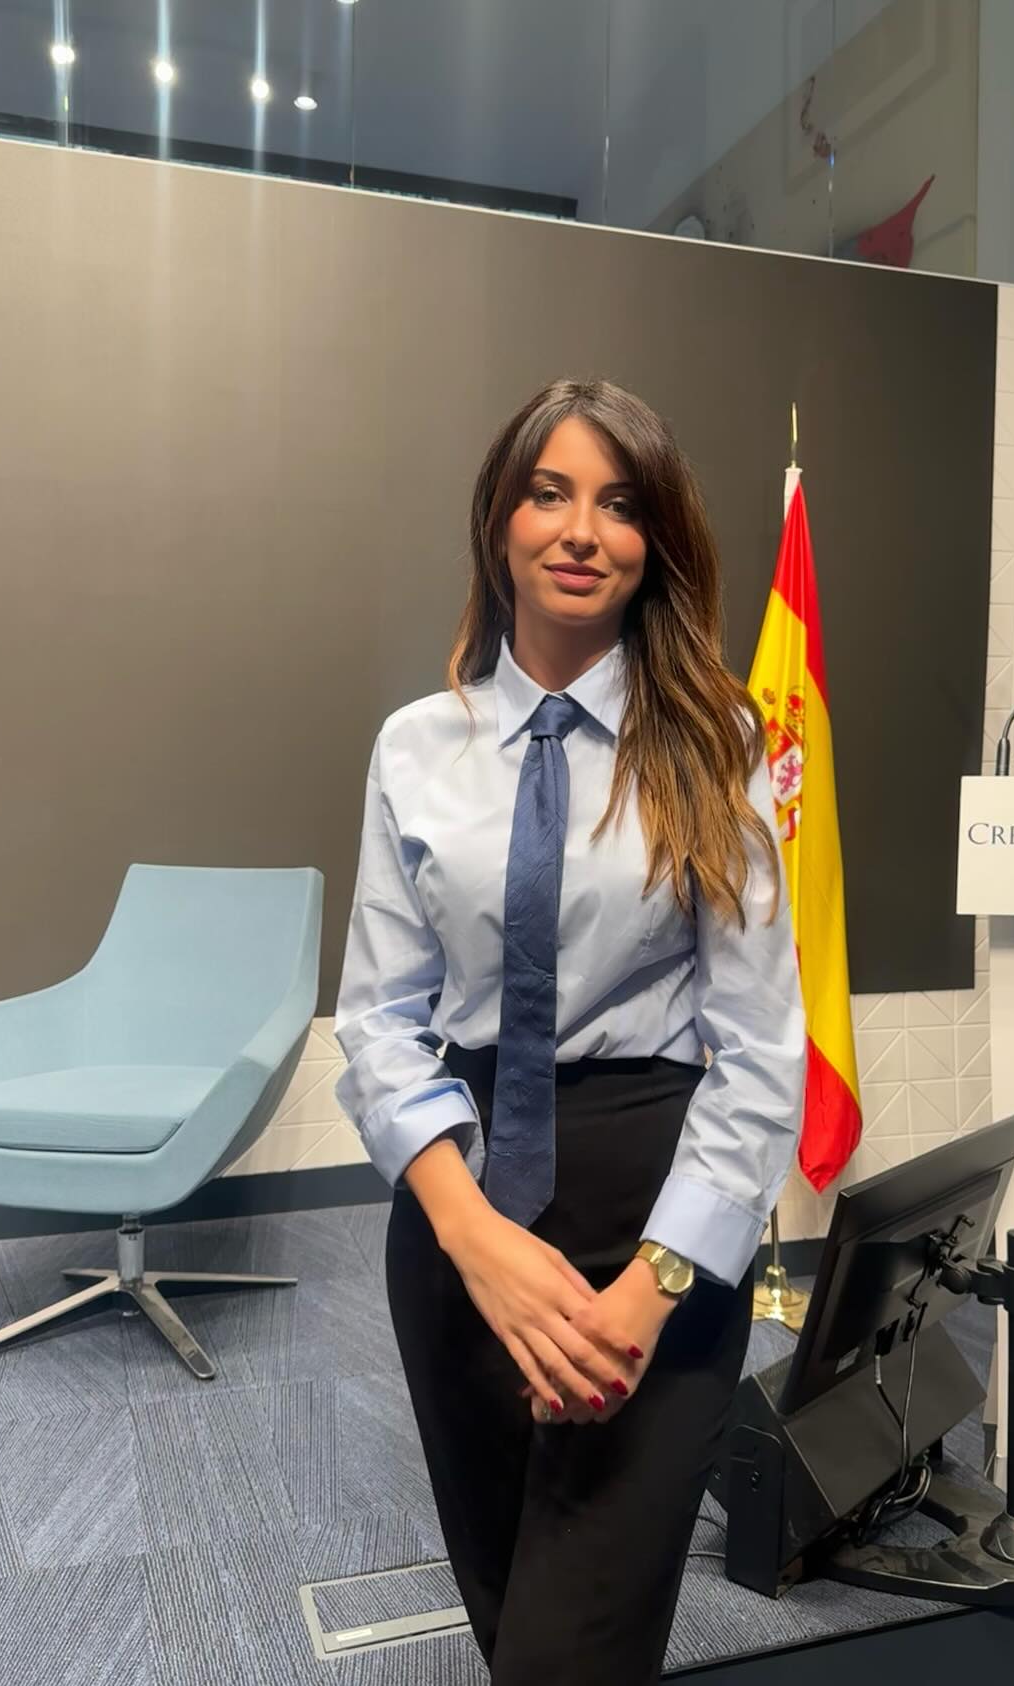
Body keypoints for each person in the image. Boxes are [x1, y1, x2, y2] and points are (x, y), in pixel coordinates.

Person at [334, 377, 807, 1684]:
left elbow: (762, 1052)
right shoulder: (416, 748)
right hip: (460, 1219)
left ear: (657, 541)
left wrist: (654, 1291)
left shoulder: (714, 739)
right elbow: (379, 1021)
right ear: (502, 520)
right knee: (511, 1625)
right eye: (550, 494)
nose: (582, 530)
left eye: (619, 504)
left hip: (655, 1220)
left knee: (571, 1653)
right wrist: (474, 1240)